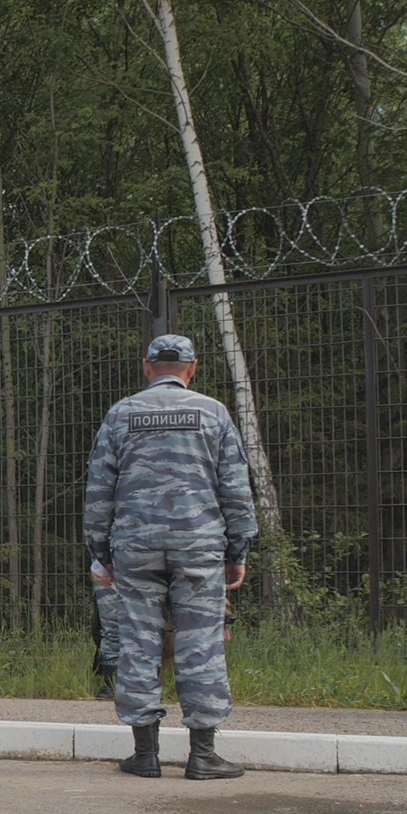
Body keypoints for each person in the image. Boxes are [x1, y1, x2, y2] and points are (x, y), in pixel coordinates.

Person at [84, 334, 256, 780]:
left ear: (147, 367)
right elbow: (236, 489)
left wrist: (101, 551)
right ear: (192, 368)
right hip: (198, 543)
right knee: (201, 644)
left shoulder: (122, 414)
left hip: (135, 545)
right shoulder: (212, 412)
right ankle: (203, 755)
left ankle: (145, 754)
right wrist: (237, 550)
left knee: (139, 641)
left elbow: (99, 489)